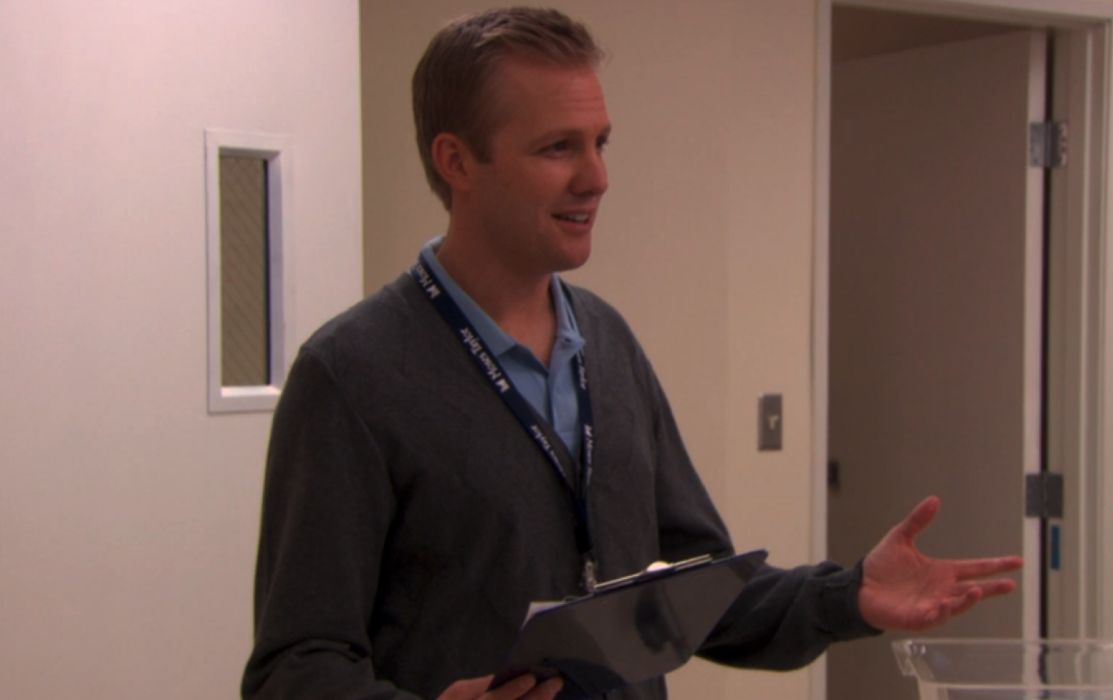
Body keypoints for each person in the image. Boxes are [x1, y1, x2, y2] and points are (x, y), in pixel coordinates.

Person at [240, 8, 1022, 700]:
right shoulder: (352, 376)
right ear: (456, 162)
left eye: (601, 143)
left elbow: (694, 592)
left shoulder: (606, 343)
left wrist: (849, 596)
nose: (598, 178)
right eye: (557, 148)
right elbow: (295, 668)